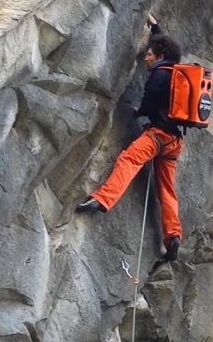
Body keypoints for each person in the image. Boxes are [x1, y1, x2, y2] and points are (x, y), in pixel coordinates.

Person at [75, 14, 184, 262]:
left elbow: (148, 104)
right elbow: (164, 43)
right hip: (175, 142)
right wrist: (155, 26)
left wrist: (139, 112)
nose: (146, 57)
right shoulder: (177, 71)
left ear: (159, 56)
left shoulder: (158, 76)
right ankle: (173, 235)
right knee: (166, 188)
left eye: (149, 54)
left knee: (129, 160)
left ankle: (101, 200)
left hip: (157, 136)